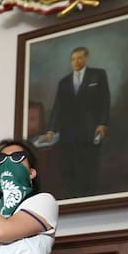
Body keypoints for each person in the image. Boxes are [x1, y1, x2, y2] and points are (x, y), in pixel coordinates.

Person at [45, 46, 109, 196]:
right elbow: (57, 107)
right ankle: (73, 196)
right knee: (70, 166)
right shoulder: (64, 82)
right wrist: (51, 130)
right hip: (68, 132)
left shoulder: (98, 75)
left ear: (86, 58)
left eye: (79, 58)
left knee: (90, 165)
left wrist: (103, 123)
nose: (76, 61)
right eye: (73, 59)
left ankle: (89, 196)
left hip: (90, 130)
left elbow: (105, 100)